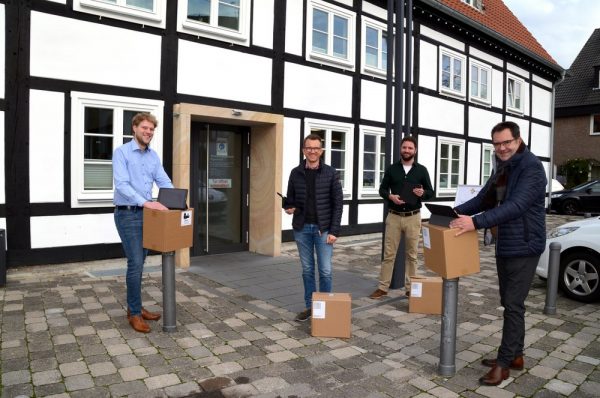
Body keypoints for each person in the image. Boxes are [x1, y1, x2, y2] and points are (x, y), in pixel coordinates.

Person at [449, 121, 546, 386]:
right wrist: (456, 212)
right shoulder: (503, 166)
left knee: (513, 305)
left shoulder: (531, 168)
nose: (501, 148)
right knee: (510, 302)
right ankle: (515, 355)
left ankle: (504, 365)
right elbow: (485, 198)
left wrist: (475, 222)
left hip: (525, 245)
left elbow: (515, 206)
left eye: (506, 142)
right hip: (506, 244)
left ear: (518, 140)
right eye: (497, 143)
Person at [113, 112, 173, 333]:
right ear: (135, 128)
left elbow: (163, 180)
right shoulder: (122, 153)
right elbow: (122, 185)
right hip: (127, 213)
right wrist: (147, 203)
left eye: (152, 129)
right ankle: (134, 314)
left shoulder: (153, 156)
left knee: (140, 263)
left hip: (148, 215)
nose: (149, 132)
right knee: (135, 263)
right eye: (145, 128)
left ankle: (135, 307)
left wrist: (176, 199)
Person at [284, 134, 343, 322]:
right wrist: (288, 207)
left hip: (323, 229)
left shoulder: (331, 173)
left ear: (321, 150)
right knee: (307, 269)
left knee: (325, 270)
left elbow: (338, 204)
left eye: (316, 148)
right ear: (304, 150)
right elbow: (290, 199)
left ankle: (324, 307)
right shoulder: (295, 172)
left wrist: (334, 231)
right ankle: (310, 307)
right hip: (302, 228)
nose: (312, 151)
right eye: (309, 148)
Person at [369, 136, 434, 299]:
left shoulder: (421, 170)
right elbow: (382, 190)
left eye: (410, 148)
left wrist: (423, 193)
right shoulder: (392, 169)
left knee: (412, 255)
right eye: (404, 147)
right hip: (394, 217)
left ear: (415, 150)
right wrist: (390, 197)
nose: (407, 150)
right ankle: (383, 288)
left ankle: (410, 288)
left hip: (413, 217)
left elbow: (431, 192)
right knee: (389, 254)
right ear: (400, 149)